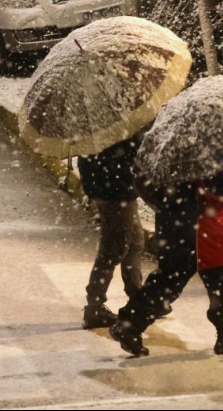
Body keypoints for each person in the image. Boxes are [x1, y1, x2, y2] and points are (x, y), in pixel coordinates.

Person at [110, 162, 223, 356]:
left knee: (168, 279)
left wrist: (171, 204)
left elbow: (146, 187)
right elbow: (222, 184)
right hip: (206, 227)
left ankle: (129, 325)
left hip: (173, 223)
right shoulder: (203, 151)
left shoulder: (165, 154)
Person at [78, 132, 147, 329]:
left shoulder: (93, 127)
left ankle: (137, 297)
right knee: (113, 248)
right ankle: (95, 306)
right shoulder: (117, 130)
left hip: (111, 189)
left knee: (134, 242)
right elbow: (129, 158)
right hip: (115, 192)